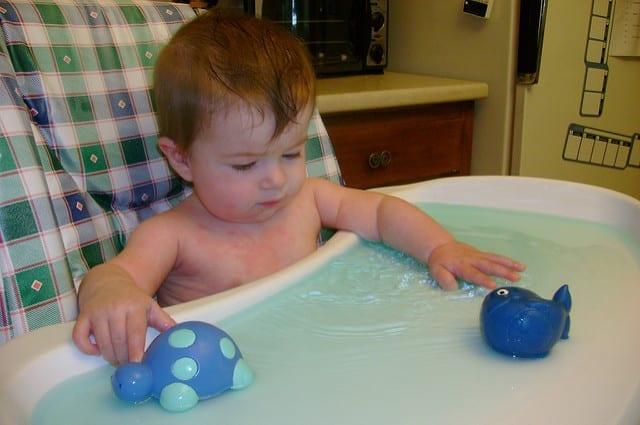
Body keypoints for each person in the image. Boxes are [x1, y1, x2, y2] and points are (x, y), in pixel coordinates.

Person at [72, 10, 526, 365]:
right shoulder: (172, 235)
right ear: (181, 158)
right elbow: (114, 276)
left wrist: (439, 248)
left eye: (291, 153)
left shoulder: (307, 198)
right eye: (245, 164)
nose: (276, 179)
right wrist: (110, 294)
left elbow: (382, 213)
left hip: (318, 351)